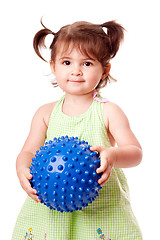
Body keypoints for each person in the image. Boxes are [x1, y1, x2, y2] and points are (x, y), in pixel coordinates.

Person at [12, 19, 143, 240]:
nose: (76, 71)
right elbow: (28, 151)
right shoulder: (45, 113)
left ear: (104, 70)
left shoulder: (108, 111)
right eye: (66, 62)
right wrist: (21, 167)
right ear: (53, 66)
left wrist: (112, 155)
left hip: (100, 206)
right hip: (52, 199)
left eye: (87, 64)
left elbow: (135, 153)